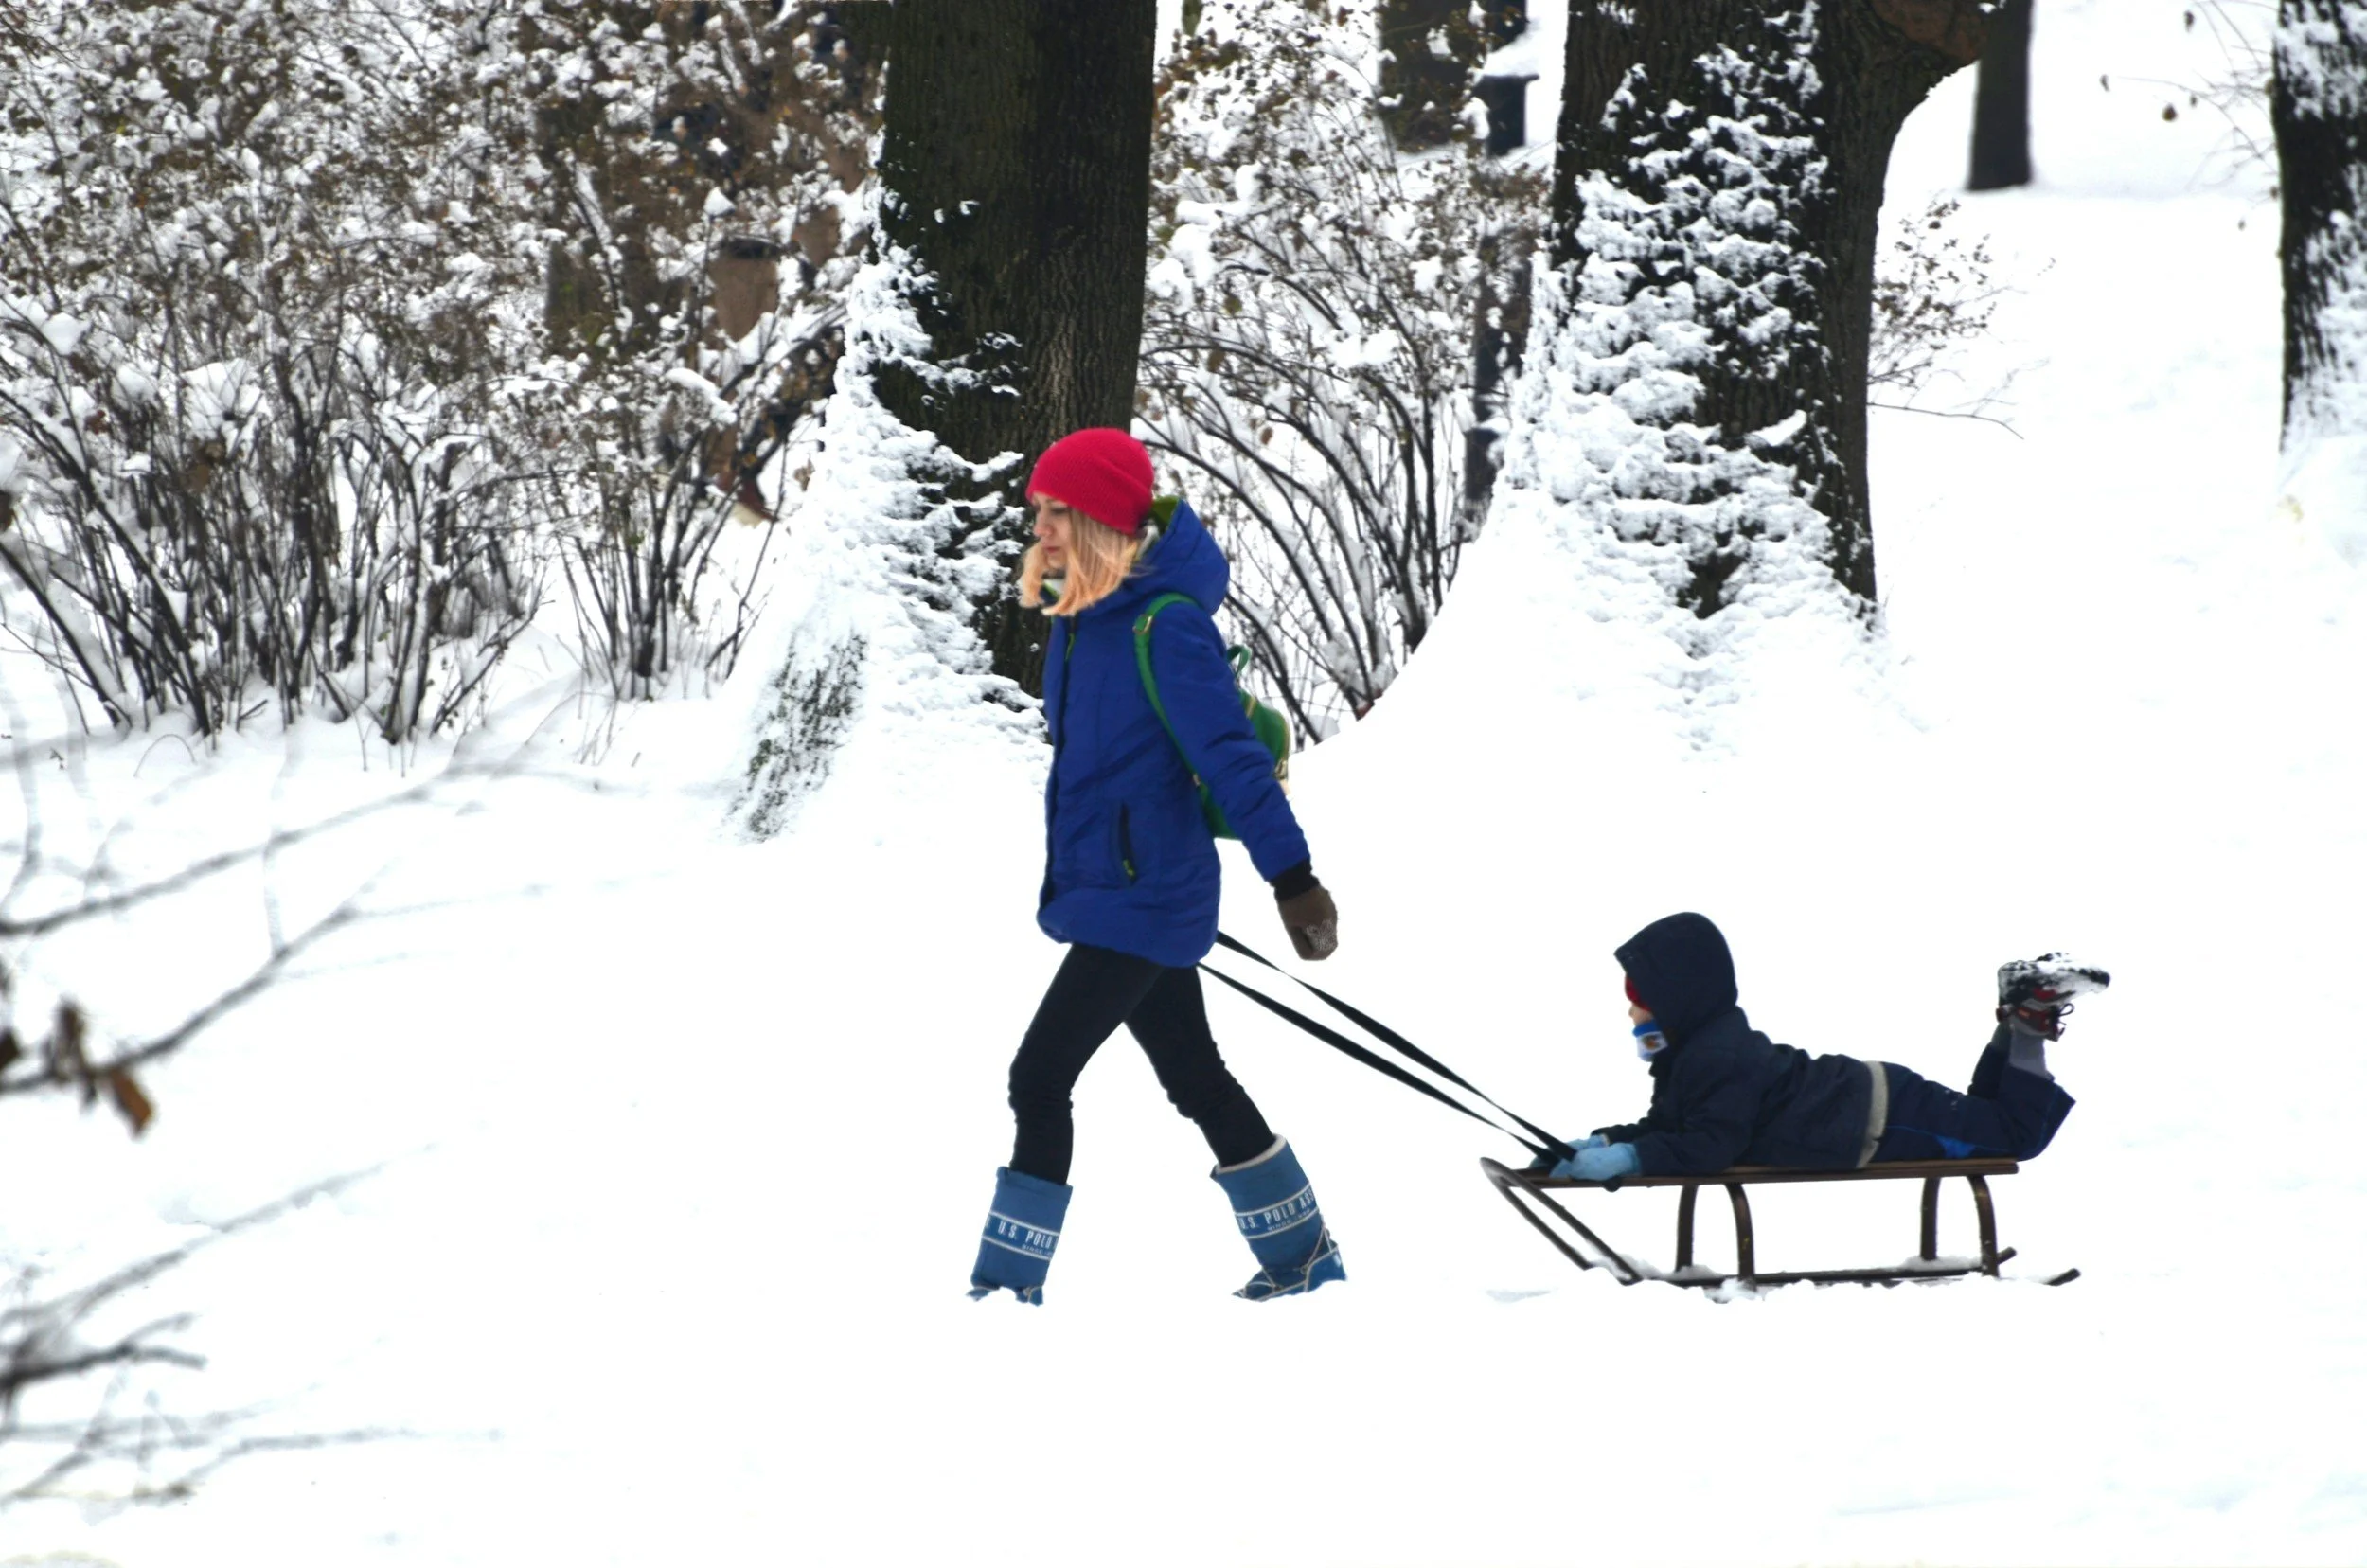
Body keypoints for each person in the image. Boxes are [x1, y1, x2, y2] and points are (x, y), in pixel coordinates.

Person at [967, 427, 1345, 1305]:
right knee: (1195, 1075)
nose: (1041, 528)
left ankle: (1005, 1290)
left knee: (1039, 1077)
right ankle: (1305, 1259)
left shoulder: (1165, 626)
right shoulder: (1078, 623)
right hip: (1113, 888)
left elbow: (1231, 760)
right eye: (1039, 511)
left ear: (1102, 521)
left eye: (1059, 512)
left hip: (1149, 896)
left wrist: (1293, 879)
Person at [1547, 911, 2109, 1182]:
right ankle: (2021, 1010)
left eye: (1640, 1001)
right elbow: (1676, 1128)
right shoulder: (1696, 1055)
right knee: (1992, 1121)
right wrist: (1604, 1142)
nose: (1632, 1013)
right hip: (1869, 1105)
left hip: (1880, 1118)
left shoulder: (1715, 1058)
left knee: (2014, 1136)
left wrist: (1628, 1159)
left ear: (1678, 1000)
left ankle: (2027, 1018)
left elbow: (1708, 1145)